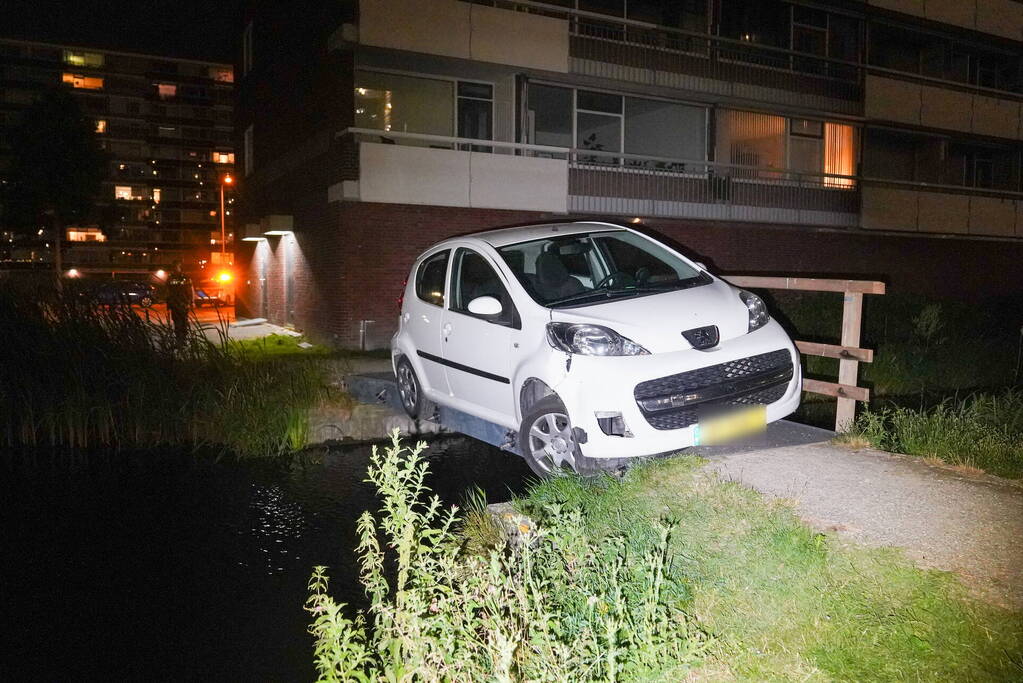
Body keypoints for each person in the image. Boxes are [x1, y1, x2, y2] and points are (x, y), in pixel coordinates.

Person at [165, 260, 193, 343]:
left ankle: (183, 339)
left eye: (176, 267)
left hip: (183, 303)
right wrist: (168, 305)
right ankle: (179, 339)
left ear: (180, 267)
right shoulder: (170, 278)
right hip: (174, 304)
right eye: (174, 267)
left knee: (184, 322)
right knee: (177, 323)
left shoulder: (185, 277)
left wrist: (190, 302)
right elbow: (167, 291)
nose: (175, 268)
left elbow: (190, 290)